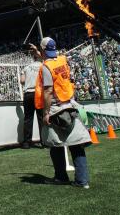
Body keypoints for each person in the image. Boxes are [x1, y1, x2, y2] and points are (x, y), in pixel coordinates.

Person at [36, 37, 92, 188]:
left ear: (42, 50)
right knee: (76, 145)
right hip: (69, 106)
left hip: (55, 109)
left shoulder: (46, 67)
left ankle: (61, 177)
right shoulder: (62, 60)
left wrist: (46, 113)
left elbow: (47, 91)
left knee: (55, 145)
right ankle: (82, 180)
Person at [19, 43, 43, 148]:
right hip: (38, 93)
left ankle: (26, 142)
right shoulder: (42, 65)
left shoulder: (26, 67)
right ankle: (44, 141)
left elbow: (22, 81)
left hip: (28, 93)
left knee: (28, 118)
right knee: (41, 118)